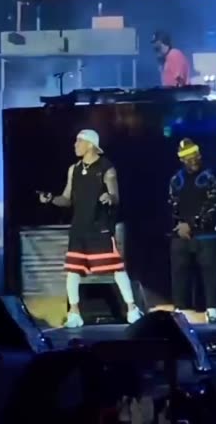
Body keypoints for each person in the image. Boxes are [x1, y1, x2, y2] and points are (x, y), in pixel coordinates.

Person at [39, 129, 143, 328]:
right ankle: (74, 313)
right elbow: (66, 198)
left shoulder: (107, 168)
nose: (75, 145)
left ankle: (132, 309)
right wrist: (51, 199)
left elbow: (116, 197)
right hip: (79, 228)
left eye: (79, 141)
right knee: (73, 270)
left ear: (90, 144)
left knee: (116, 268)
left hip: (100, 228)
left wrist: (109, 197)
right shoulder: (74, 169)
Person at [168, 139, 216, 323]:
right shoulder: (176, 180)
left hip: (205, 234)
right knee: (179, 273)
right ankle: (180, 309)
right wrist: (181, 225)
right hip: (181, 234)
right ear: (182, 159)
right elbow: (172, 205)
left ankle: (212, 309)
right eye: (189, 157)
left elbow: (213, 204)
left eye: (196, 155)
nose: (194, 160)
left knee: (209, 272)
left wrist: (192, 224)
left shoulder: (209, 177)